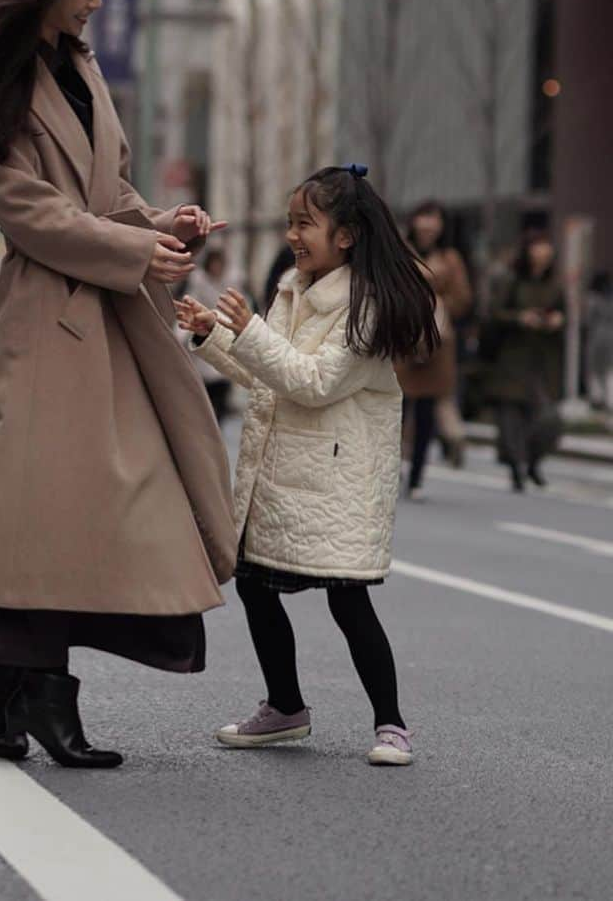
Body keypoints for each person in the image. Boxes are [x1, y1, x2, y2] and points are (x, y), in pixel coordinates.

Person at [0, 0, 236, 769]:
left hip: (114, 315)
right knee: (37, 515)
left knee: (115, 506)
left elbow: (104, 191)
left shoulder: (82, 67)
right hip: (49, 315)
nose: (99, 3)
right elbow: (29, 212)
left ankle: (16, 685)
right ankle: (37, 693)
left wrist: (160, 222)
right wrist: (137, 245)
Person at [177, 164, 438, 768]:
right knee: (253, 584)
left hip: (336, 480)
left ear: (345, 235)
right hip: (286, 473)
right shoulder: (294, 288)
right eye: (291, 223)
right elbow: (268, 379)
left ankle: (392, 725)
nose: (294, 234)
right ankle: (285, 706)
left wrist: (247, 332)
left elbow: (313, 381)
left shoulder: (365, 305)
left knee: (348, 600)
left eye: (305, 224)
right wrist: (216, 334)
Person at [395, 201, 473, 497]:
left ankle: (416, 477)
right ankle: (392, 470)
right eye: (423, 217)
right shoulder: (399, 252)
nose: (428, 224)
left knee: (427, 413)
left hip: (437, 342)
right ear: (413, 221)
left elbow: (464, 298)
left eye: (434, 218)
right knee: (395, 409)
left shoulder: (451, 258)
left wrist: (440, 304)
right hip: (402, 340)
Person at [485, 229, 565, 492]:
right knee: (511, 419)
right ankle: (517, 468)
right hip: (513, 359)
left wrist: (557, 321)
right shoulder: (512, 281)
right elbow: (494, 314)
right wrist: (520, 318)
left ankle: (532, 460)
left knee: (548, 419)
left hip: (544, 360)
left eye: (546, 246)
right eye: (537, 247)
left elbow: (566, 316)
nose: (542, 252)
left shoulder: (556, 284)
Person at [186, 247, 233, 420]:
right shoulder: (198, 284)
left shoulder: (231, 284)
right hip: (204, 337)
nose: (217, 268)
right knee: (206, 395)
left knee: (222, 384)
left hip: (225, 337)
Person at [586, 271, 613, 413]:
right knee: (609, 370)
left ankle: (598, 398)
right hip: (610, 336)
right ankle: (607, 399)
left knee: (597, 369)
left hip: (598, 336)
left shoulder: (593, 299)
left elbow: (589, 319)